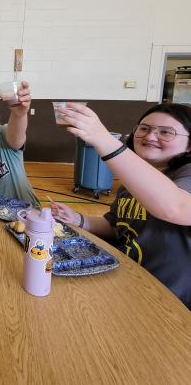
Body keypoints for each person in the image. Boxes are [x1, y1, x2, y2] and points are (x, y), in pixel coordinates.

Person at [51, 102, 191, 309]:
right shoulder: (132, 181)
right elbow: (116, 227)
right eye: (144, 128)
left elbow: (176, 207)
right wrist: (78, 219)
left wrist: (103, 138)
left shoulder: (187, 173)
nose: (150, 136)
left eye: (165, 132)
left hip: (168, 302)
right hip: (127, 286)